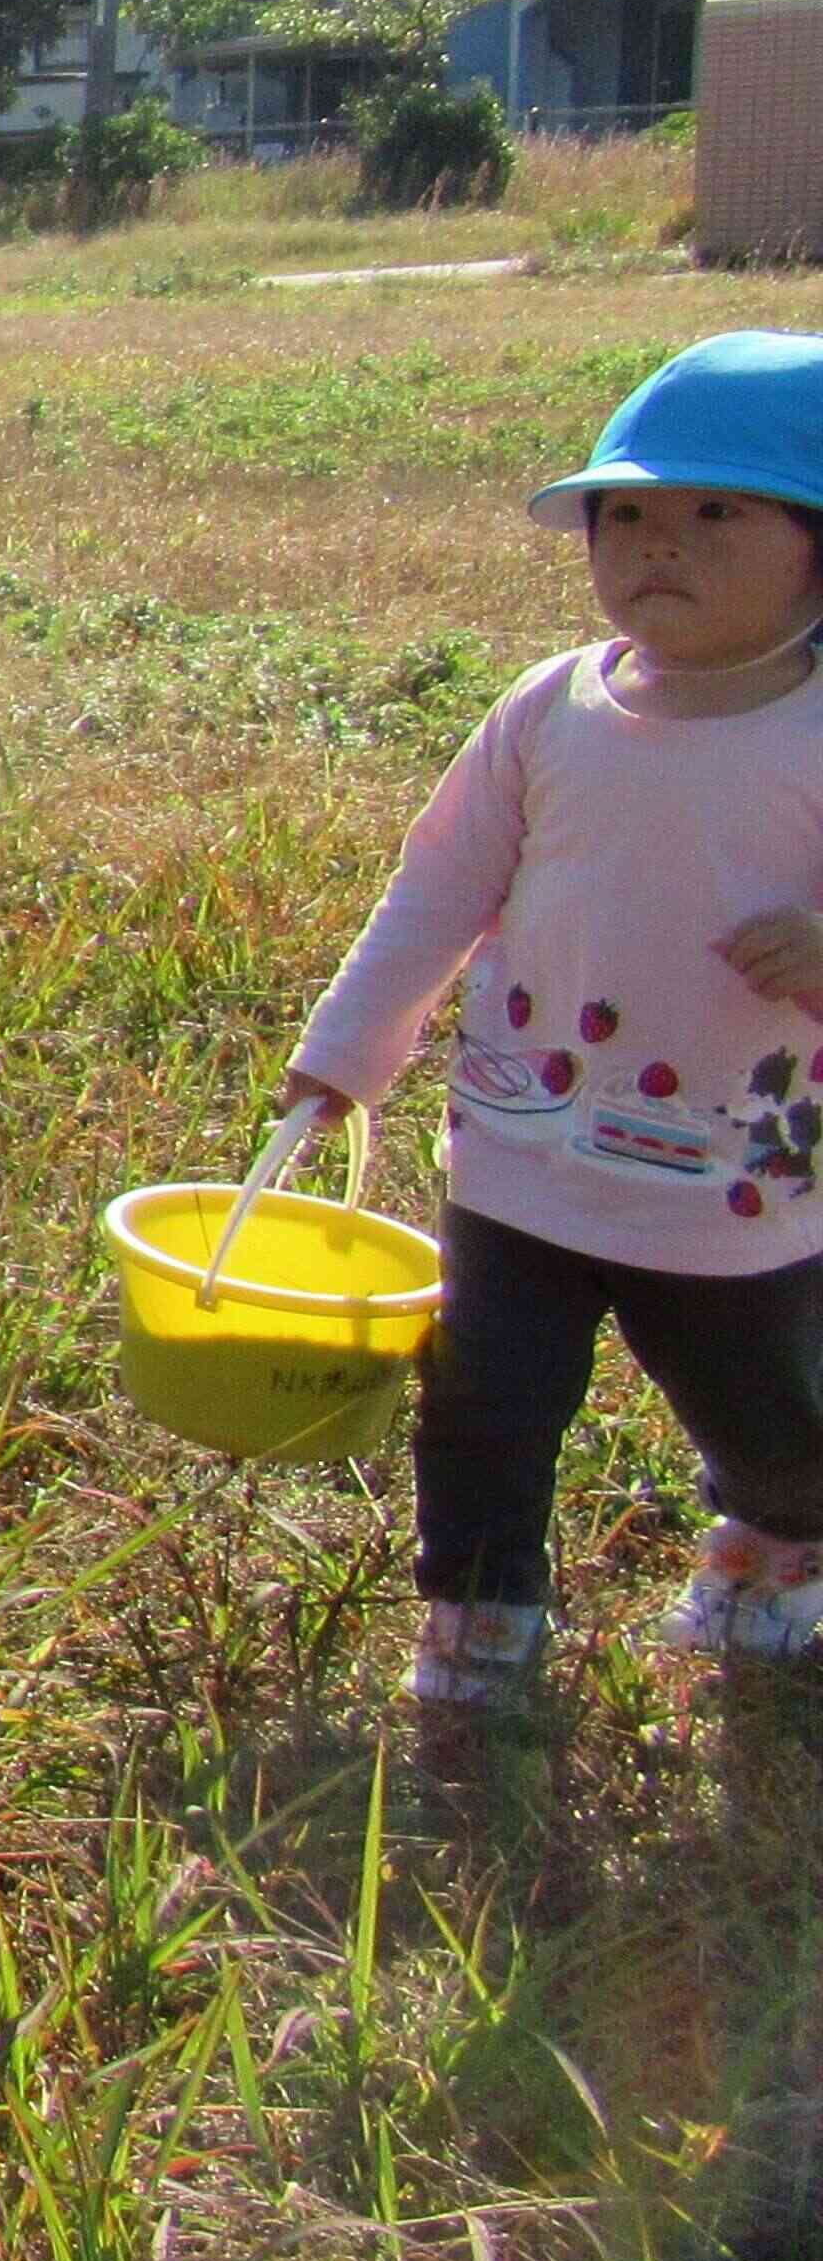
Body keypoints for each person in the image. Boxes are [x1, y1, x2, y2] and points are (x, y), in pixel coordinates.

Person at [287, 330, 823, 1710]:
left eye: (718, 512)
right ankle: (479, 1622)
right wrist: (345, 1056)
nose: (661, 543)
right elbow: (437, 892)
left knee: (777, 1428)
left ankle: (773, 1551)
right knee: (479, 1412)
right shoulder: (548, 713)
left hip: (732, 1192)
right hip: (522, 1156)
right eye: (626, 513)